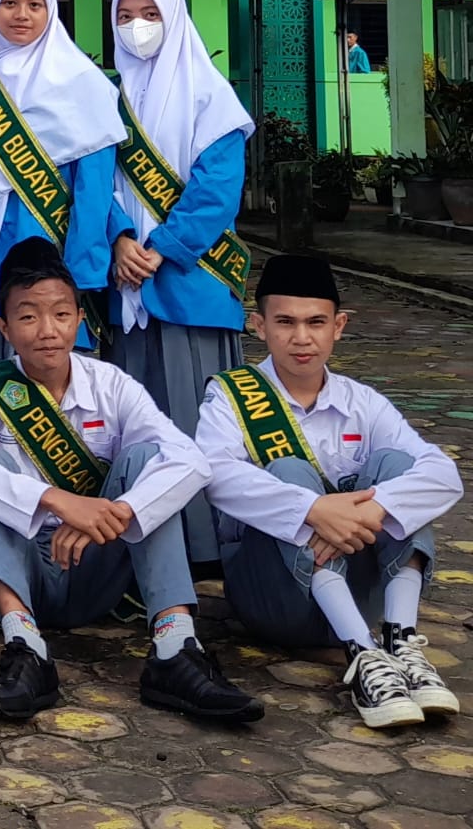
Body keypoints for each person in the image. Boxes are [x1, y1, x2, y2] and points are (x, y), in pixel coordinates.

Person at [0, 237, 261, 724]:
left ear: (79, 320)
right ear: (4, 327)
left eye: (61, 315)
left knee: (149, 459)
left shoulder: (111, 383)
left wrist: (121, 511)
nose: (48, 331)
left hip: (96, 561)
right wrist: (57, 500)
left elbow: (190, 459)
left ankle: (175, 648)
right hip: (23, 566)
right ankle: (25, 648)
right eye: (28, 317)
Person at [198, 253, 462, 729]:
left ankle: (400, 643)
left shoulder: (363, 402)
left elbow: (443, 474)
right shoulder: (228, 397)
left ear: (338, 326)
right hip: (275, 599)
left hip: (362, 596)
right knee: (289, 469)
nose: (302, 338)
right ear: (259, 326)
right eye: (285, 322)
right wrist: (315, 510)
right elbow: (214, 473)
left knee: (399, 465)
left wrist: (377, 508)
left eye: (316, 322)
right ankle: (361, 654)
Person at [106, 0, 255, 563]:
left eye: (149, 15)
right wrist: (119, 238)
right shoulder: (109, 97)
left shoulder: (210, 96)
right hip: (127, 282)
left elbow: (217, 191)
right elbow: (97, 182)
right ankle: (148, 543)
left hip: (194, 280)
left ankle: (208, 544)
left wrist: (161, 246)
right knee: (137, 420)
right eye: (124, 16)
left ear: (174, 18)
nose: (136, 27)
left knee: (198, 417)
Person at [0, 0, 124, 365]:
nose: (21, 14)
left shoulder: (84, 83)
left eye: (34, 4)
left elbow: (94, 190)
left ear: (51, 9)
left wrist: (79, 274)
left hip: (57, 246)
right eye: (9, 3)